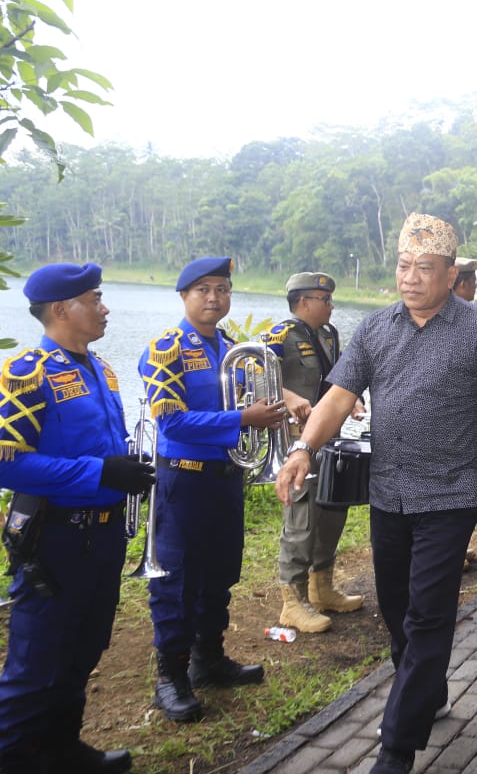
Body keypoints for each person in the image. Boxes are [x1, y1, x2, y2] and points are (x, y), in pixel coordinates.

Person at [275, 213, 477, 774]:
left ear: (450, 272)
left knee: (429, 616)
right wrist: (303, 450)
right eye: (403, 266)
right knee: (396, 610)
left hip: (452, 496)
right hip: (389, 494)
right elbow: (338, 396)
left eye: (425, 268)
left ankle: (396, 744)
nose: (411, 278)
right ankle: (426, 688)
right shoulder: (375, 328)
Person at [0, 263, 154, 773]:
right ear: (62, 309)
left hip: (103, 538)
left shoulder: (103, 369)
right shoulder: (26, 372)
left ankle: (62, 748)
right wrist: (101, 473)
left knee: (84, 649)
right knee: (35, 664)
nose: (105, 307)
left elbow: (104, 448)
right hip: (56, 540)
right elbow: (11, 463)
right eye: (95, 299)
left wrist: (127, 470)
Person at [139, 257, 288, 723]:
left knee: (219, 573)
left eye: (222, 289)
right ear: (184, 296)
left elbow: (249, 404)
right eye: (203, 289)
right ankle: (171, 677)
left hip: (224, 478)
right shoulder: (165, 349)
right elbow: (173, 421)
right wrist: (244, 419)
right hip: (183, 479)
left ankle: (208, 660)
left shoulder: (232, 347)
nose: (213, 298)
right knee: (177, 580)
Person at [264, 272, 367, 635]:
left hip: (329, 437)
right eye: (325, 299)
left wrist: (352, 399)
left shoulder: (329, 335)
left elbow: (338, 379)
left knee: (332, 509)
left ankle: (321, 587)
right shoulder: (279, 337)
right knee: (302, 518)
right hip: (296, 442)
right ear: (303, 301)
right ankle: (292, 601)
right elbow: (253, 375)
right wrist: (287, 396)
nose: (331, 305)